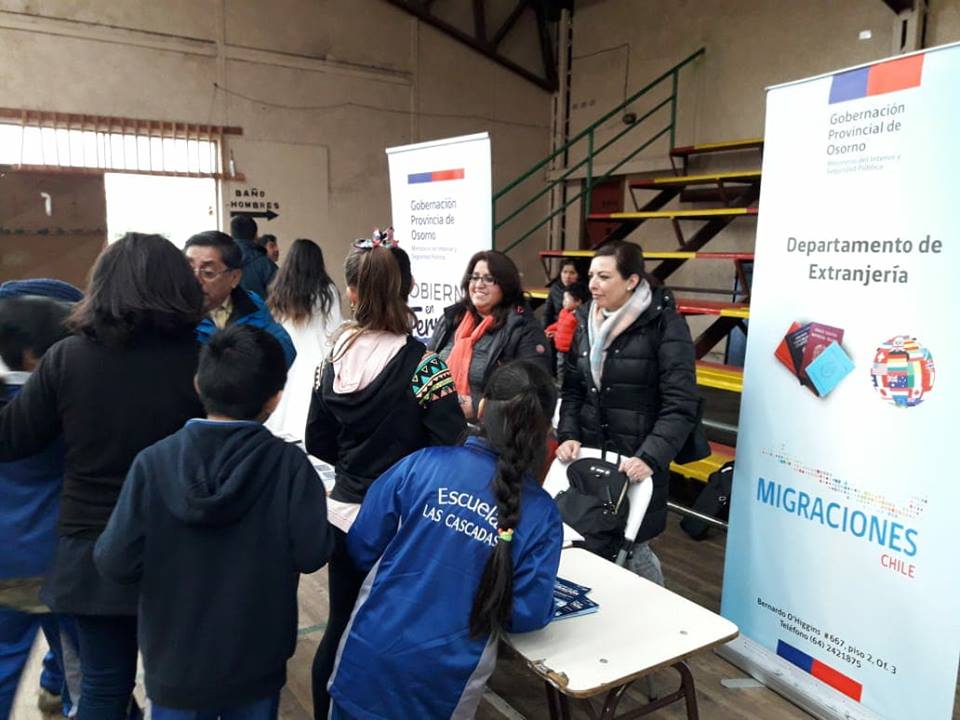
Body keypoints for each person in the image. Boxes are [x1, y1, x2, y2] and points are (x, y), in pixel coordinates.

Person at [0, 233, 206, 719]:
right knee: (180, 685)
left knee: (101, 686)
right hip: (181, 545)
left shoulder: (68, 357)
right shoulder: (203, 359)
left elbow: (11, 440)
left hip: (92, 552)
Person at [95, 325, 334, 720]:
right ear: (275, 397)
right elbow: (312, 553)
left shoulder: (153, 463)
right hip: (257, 662)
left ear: (197, 384)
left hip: (175, 664)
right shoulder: (290, 466)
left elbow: (114, 561)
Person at [328, 361, 563, 718]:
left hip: (367, 662)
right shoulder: (542, 515)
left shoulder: (420, 465)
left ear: (482, 409)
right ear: (545, 430)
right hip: (443, 689)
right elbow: (526, 613)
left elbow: (363, 544)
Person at [305, 244, 466, 720]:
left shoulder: (330, 362)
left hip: (344, 516)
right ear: (409, 288)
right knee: (400, 631)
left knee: (338, 625)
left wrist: (355, 467)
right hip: (403, 524)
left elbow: (317, 441)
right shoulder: (426, 367)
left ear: (351, 292)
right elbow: (451, 442)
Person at [555, 241, 699, 586]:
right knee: (595, 538)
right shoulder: (585, 321)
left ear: (632, 280)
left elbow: (681, 403)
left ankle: (661, 609)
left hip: (637, 459)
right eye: (592, 275)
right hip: (592, 457)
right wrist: (569, 433)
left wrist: (650, 457)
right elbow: (572, 389)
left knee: (633, 547)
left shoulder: (665, 325)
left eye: (604, 277)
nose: (593, 284)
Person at [0, 293, 79, 719]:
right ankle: (55, 694)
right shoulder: (63, 404)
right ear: (35, 354)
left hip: (5, 559)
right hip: (57, 556)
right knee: (77, 658)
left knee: (3, 661)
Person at [429, 250, 551, 421]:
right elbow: (425, 366)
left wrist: (478, 406)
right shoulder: (451, 319)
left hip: (489, 431)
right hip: (438, 423)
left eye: (489, 279)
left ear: (506, 285)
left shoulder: (524, 330)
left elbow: (535, 395)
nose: (479, 285)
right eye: (475, 277)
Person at [266, 239, 344, 442]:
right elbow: (334, 329)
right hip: (320, 358)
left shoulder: (280, 290)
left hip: (289, 358)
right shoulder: (327, 291)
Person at [185, 231, 296, 367]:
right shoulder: (173, 313)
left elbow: (284, 350)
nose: (196, 280)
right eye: (188, 270)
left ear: (234, 277)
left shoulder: (253, 307)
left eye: (208, 273)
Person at [230, 215, 277, 299]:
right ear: (256, 236)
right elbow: (280, 297)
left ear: (231, 235)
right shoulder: (267, 265)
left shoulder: (222, 262)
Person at [542, 258, 586, 330]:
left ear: (578, 275)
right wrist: (543, 331)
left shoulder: (584, 290)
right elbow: (547, 313)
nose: (567, 276)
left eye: (572, 273)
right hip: (557, 327)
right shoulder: (555, 289)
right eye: (564, 272)